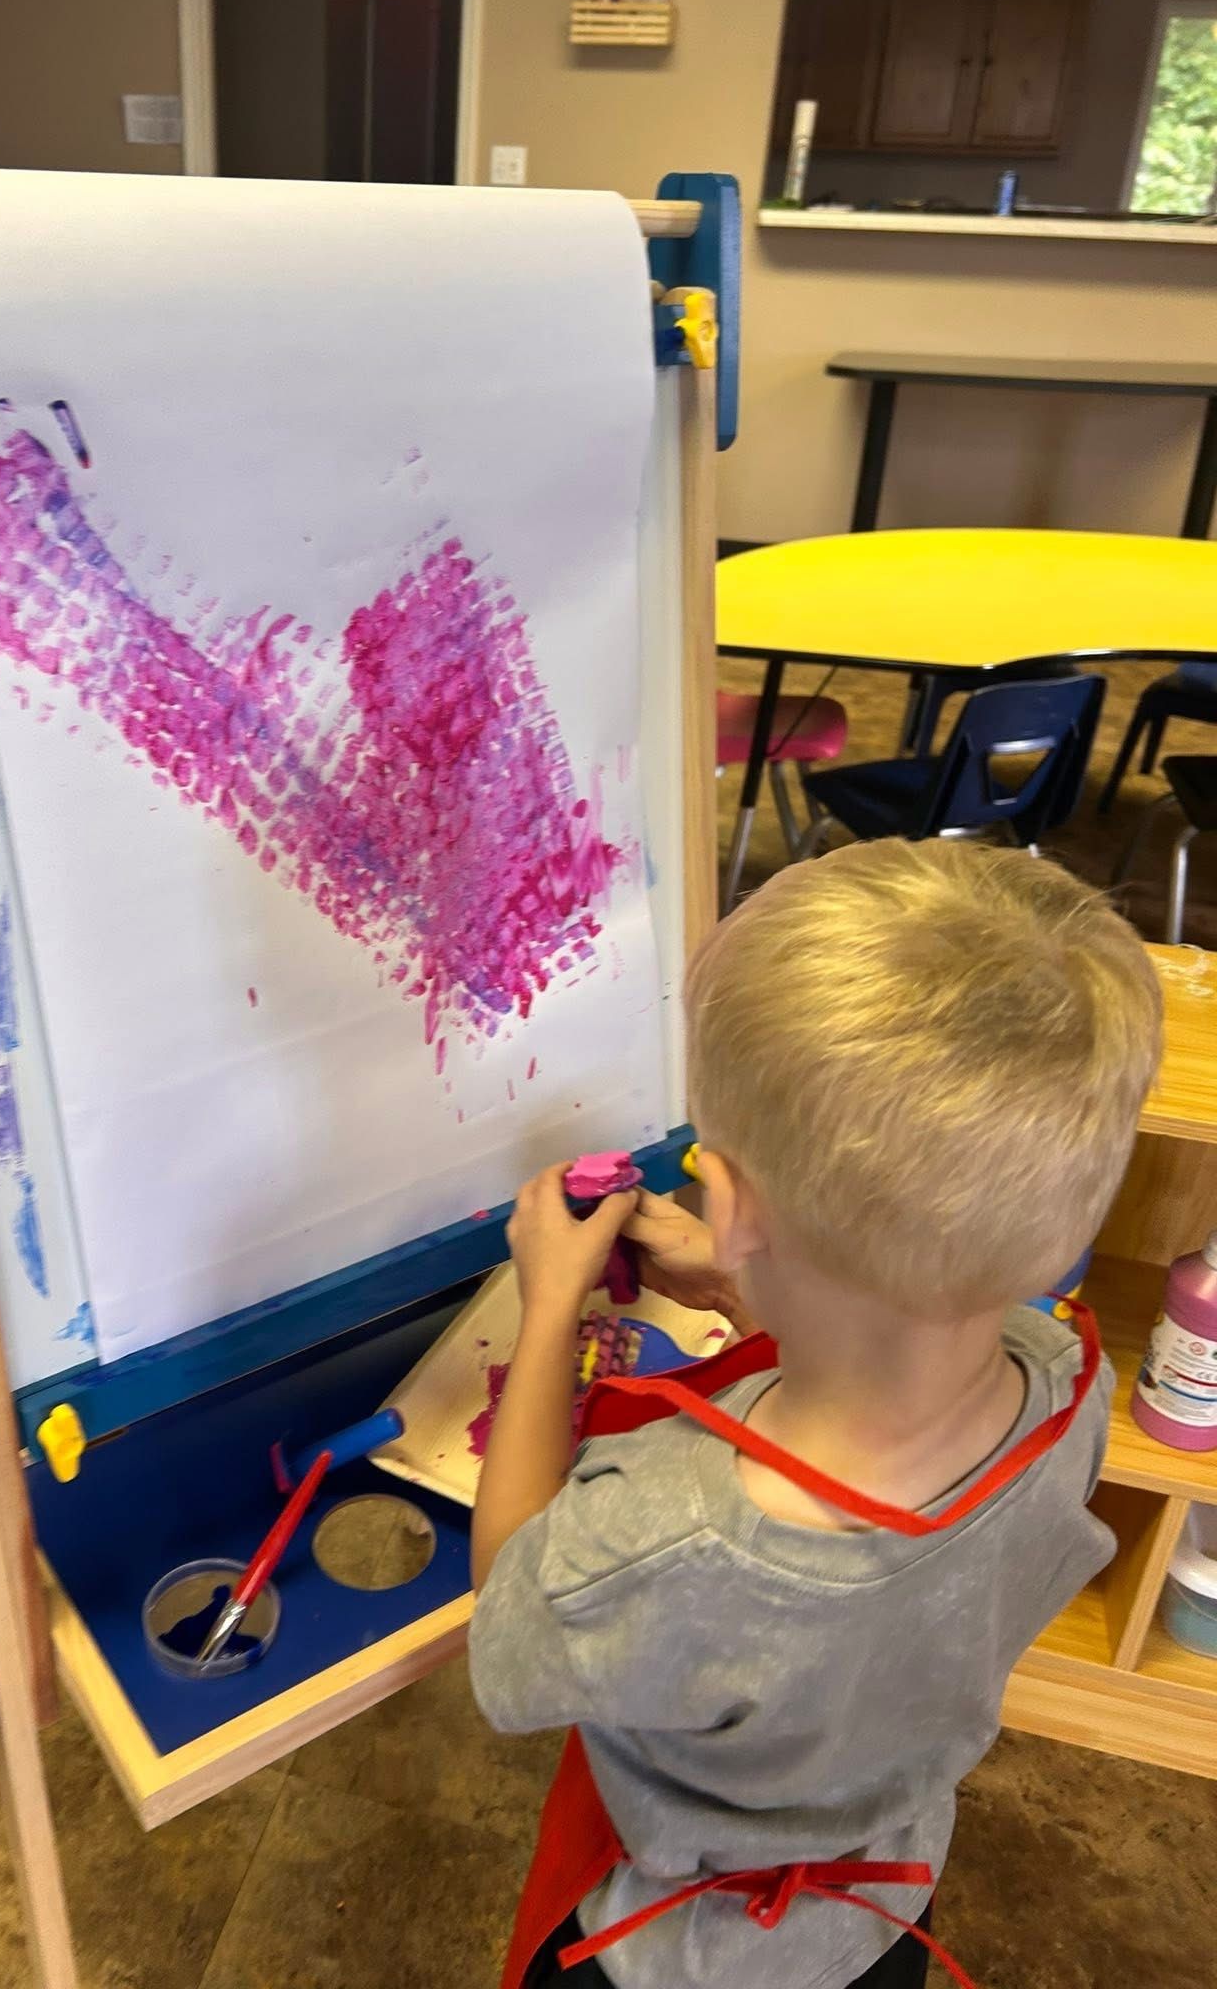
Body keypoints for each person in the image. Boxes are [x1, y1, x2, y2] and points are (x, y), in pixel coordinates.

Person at [468, 839, 1162, 1989]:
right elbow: (919, 1309)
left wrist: (549, 1309)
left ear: (726, 1200)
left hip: (676, 1956)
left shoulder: (664, 1534)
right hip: (882, 1909)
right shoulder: (1072, 1383)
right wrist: (757, 1271)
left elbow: (509, 1611)